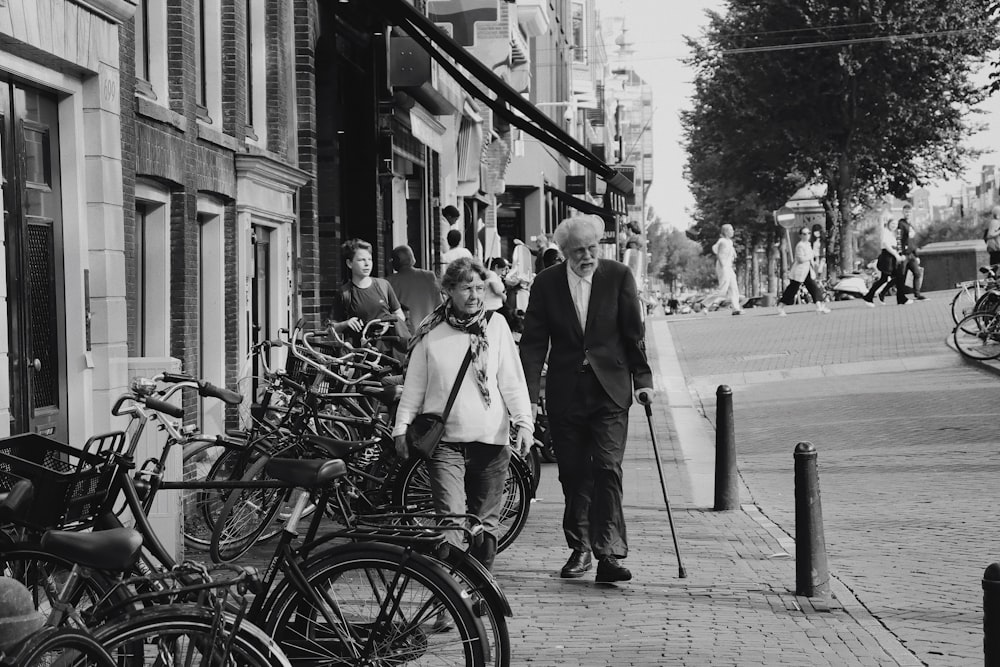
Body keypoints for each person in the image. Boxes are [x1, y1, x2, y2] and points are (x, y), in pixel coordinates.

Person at [519, 215, 654, 584]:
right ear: (563, 252)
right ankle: (579, 548)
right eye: (579, 251)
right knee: (574, 474)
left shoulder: (618, 276)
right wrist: (528, 398)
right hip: (566, 393)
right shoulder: (546, 284)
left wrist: (643, 379)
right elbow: (532, 344)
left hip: (610, 389)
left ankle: (608, 552)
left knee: (607, 468)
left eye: (592, 248)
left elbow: (634, 332)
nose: (587, 256)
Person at [392, 257, 533, 571]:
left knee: (485, 525)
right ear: (448, 290)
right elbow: (414, 386)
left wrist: (524, 423)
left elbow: (512, 380)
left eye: (480, 288)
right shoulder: (430, 331)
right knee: (452, 524)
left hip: (491, 442)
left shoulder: (496, 326)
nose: (474, 294)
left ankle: (479, 590)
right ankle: (450, 596)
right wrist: (400, 427)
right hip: (445, 444)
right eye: (466, 287)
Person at [327, 238, 405, 346]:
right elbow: (330, 329)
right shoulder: (344, 293)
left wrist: (389, 323)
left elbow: (400, 315)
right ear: (349, 263)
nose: (367, 264)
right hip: (358, 355)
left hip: (388, 354)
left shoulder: (383, 285)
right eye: (361, 260)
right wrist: (345, 324)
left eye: (369, 259)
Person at [387, 245, 442, 334]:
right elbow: (439, 306)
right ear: (412, 258)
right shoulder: (429, 276)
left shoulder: (390, 281)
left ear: (396, 261)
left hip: (405, 334)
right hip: (430, 331)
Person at [776, 227, 831, 316]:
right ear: (800, 235)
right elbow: (800, 259)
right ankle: (781, 306)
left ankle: (819, 306)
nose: (807, 235)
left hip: (807, 271)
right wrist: (810, 256)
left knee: (814, 288)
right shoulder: (800, 245)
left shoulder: (808, 244)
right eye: (804, 234)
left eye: (808, 233)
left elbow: (812, 258)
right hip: (799, 272)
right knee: (792, 290)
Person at [863, 217, 908, 306]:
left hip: (892, 257)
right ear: (888, 224)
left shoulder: (892, 234)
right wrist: (896, 255)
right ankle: (870, 296)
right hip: (887, 257)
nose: (894, 226)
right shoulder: (886, 232)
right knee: (887, 278)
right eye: (892, 224)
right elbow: (886, 245)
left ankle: (879, 294)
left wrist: (900, 254)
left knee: (896, 277)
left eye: (895, 224)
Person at [711, 224, 742, 315]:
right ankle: (706, 304)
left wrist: (734, 255)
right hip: (723, 266)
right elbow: (719, 253)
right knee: (723, 289)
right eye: (731, 230)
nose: (733, 231)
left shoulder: (729, 242)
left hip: (729, 267)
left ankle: (736, 308)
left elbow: (731, 251)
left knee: (734, 287)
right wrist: (723, 266)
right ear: (725, 232)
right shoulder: (722, 241)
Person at [896, 217, 926, 301]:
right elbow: (899, 239)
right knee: (901, 276)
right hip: (904, 255)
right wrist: (900, 253)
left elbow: (913, 242)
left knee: (917, 273)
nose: (908, 214)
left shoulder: (910, 225)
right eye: (906, 212)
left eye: (909, 212)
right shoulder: (901, 225)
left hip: (911, 254)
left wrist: (916, 255)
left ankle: (917, 294)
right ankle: (900, 297)